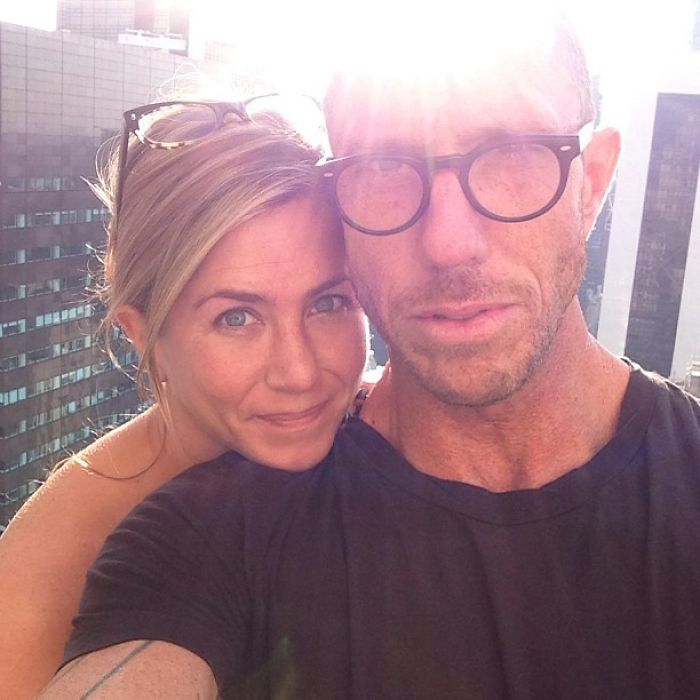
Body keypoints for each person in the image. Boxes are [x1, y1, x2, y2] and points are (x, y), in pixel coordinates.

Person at [40, 6, 700, 699]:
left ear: (591, 184)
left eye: (509, 151)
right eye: (385, 165)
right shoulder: (213, 534)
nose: (449, 243)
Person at [0, 99, 367, 699]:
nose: (300, 372)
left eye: (328, 303)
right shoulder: (42, 582)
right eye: (237, 317)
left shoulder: (379, 430)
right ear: (143, 335)